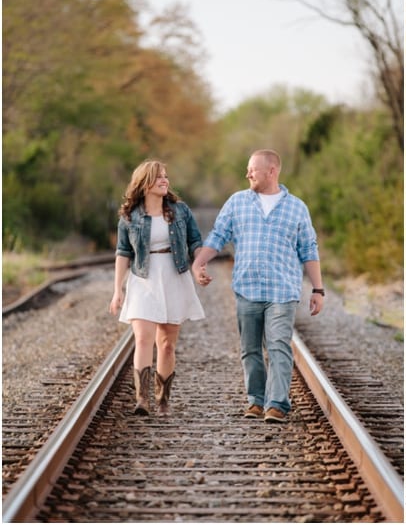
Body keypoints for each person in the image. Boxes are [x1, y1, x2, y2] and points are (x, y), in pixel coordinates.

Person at [191, 149, 324, 423]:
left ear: (271, 171)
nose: (247, 173)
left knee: (278, 346)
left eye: (253, 169)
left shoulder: (297, 207)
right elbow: (218, 236)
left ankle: (277, 404)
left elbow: (309, 250)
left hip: (282, 291)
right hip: (247, 288)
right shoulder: (237, 202)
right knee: (250, 349)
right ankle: (256, 400)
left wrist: (318, 289)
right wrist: (199, 263)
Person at [109, 160, 206, 416]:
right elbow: (123, 252)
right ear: (145, 183)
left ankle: (163, 400)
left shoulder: (180, 210)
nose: (165, 180)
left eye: (166, 176)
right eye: (159, 177)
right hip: (143, 277)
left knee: (166, 345)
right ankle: (142, 400)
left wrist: (199, 264)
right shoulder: (130, 215)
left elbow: (195, 240)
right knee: (142, 339)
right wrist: (118, 290)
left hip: (174, 275)